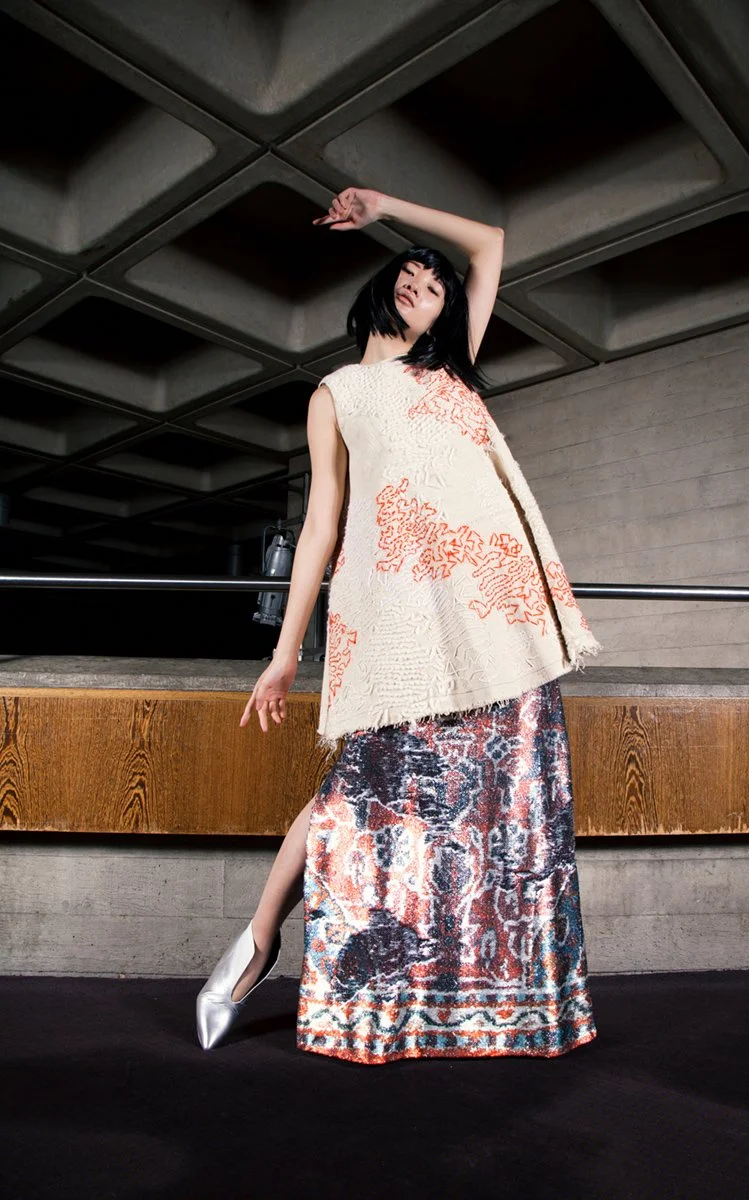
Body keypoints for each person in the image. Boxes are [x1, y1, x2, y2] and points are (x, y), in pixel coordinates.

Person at [196, 187, 602, 1063]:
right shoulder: (338, 392)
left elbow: (489, 242)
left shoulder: (449, 375)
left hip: (496, 620)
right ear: (381, 292)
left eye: (438, 283)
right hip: (396, 620)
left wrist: (386, 207)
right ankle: (259, 941)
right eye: (412, 272)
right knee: (361, 794)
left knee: (506, 813)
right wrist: (281, 654)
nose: (428, 280)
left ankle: (487, 1003)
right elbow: (322, 525)